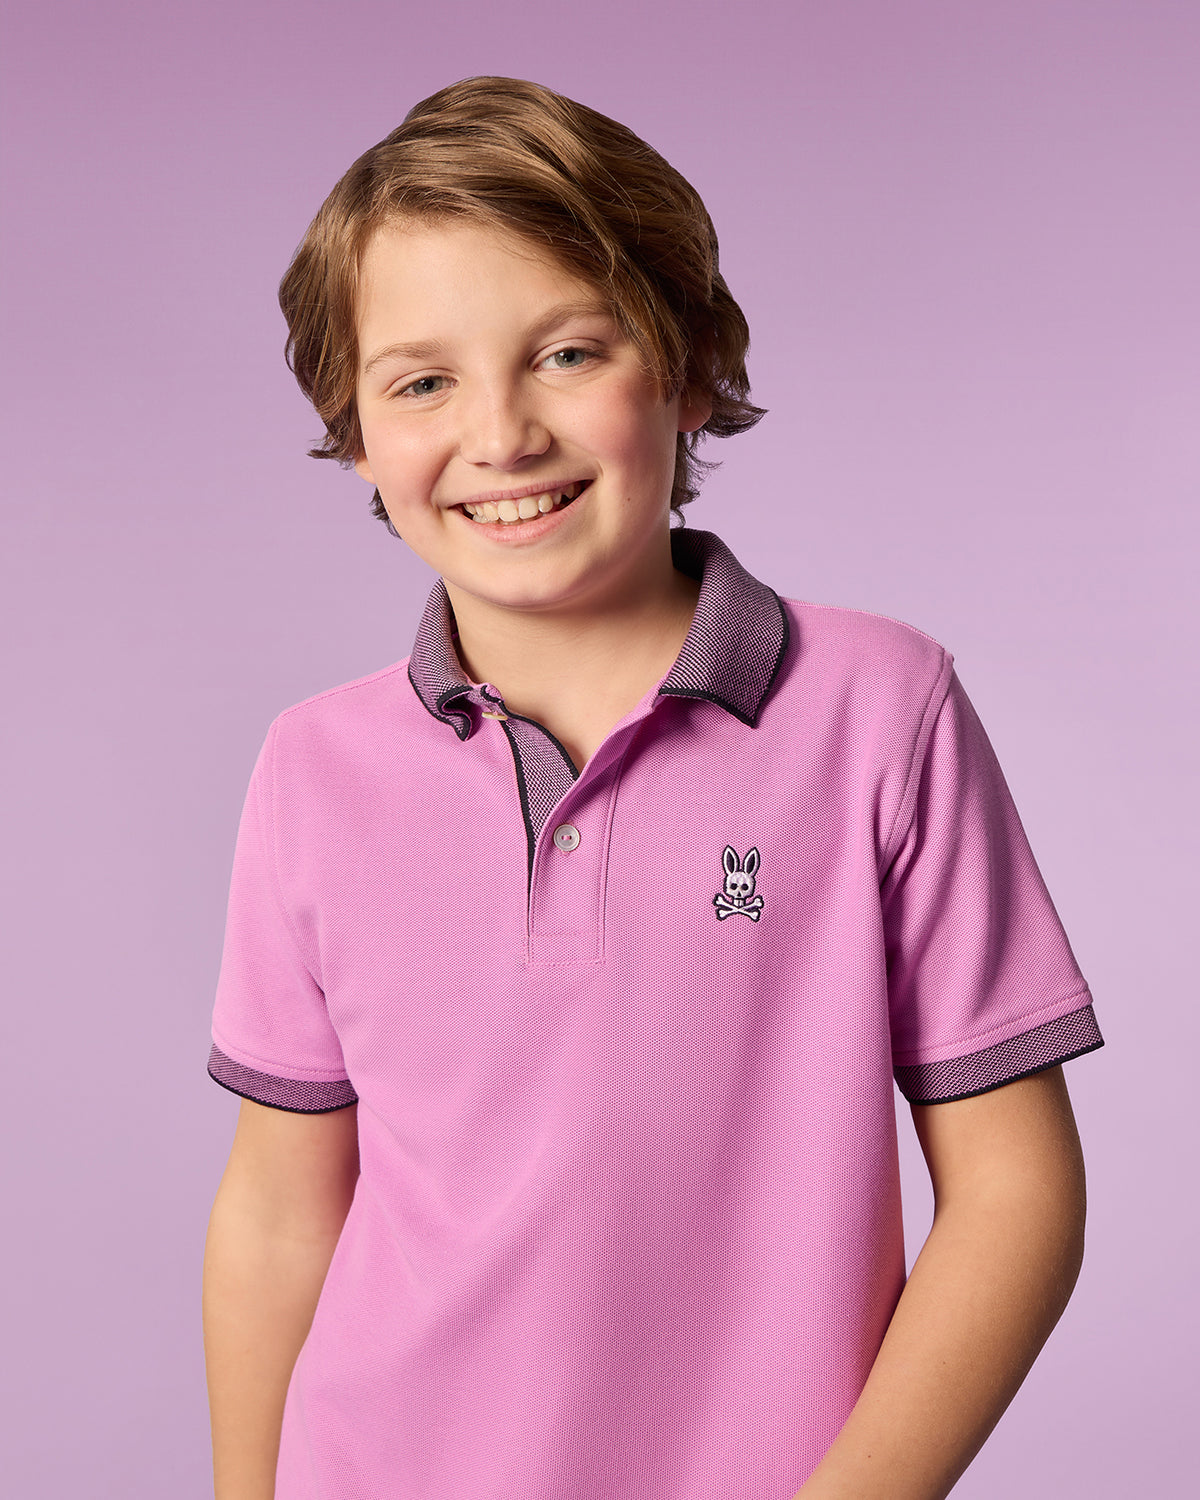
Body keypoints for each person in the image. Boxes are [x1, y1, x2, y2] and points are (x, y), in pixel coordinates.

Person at [201, 76, 1103, 1500]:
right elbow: (276, 1218)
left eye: (567, 353)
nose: (500, 436)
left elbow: (1016, 1191)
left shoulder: (880, 710)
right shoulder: (313, 770)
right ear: (358, 431)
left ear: (683, 369)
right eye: (422, 380)